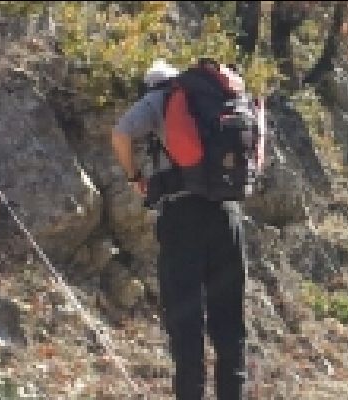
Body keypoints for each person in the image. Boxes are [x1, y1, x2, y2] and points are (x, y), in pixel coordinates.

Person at [110, 59, 253, 400]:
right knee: (230, 325)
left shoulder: (159, 97)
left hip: (182, 219)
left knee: (186, 324)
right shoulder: (220, 98)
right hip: (227, 215)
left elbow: (121, 134)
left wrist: (134, 177)